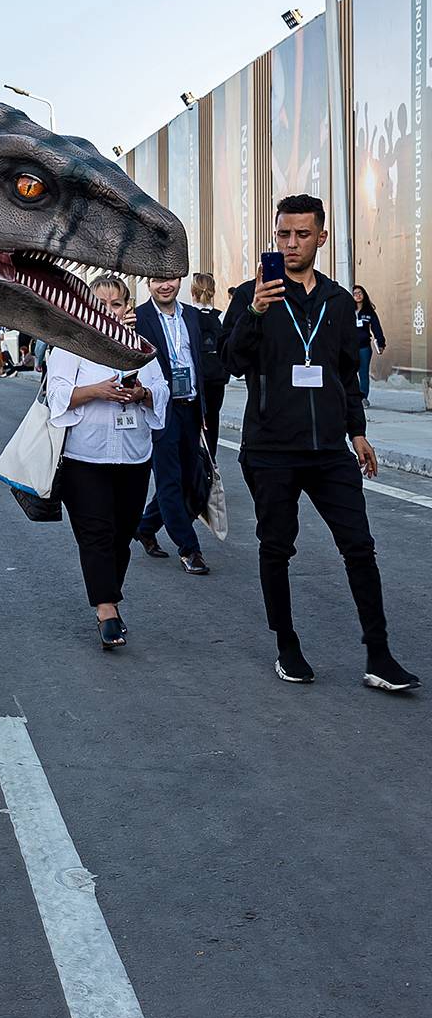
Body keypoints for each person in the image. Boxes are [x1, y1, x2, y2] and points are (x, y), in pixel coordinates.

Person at [223, 194, 418, 691]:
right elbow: (229, 363)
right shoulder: (251, 295)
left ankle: (379, 654)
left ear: (321, 238)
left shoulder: (335, 301)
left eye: (302, 235)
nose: (291, 244)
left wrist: (358, 433)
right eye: (283, 235)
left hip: (330, 450)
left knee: (359, 547)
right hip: (271, 449)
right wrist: (254, 315)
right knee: (276, 546)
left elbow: (346, 377)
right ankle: (287, 644)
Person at [47, 275, 168, 649]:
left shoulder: (139, 347)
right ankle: (106, 610)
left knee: (120, 535)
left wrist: (141, 393)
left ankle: (109, 596)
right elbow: (57, 394)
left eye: (115, 304)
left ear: (126, 307)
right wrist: (96, 391)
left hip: (133, 455)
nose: (108, 311)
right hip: (86, 455)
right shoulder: (71, 344)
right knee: (96, 533)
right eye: (100, 303)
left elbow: (161, 390)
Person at [133, 275, 210, 574]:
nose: (165, 286)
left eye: (171, 280)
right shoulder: (139, 318)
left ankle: (145, 525)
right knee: (169, 480)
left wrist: (203, 409)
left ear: (180, 281)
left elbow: (196, 362)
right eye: (157, 281)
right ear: (147, 284)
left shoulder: (191, 315)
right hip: (159, 406)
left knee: (191, 478)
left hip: (190, 407)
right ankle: (190, 548)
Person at [190, 272, 228, 460]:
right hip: (217, 379)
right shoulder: (220, 317)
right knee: (212, 421)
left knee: (192, 423)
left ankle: (194, 466)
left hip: (196, 378)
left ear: (193, 292)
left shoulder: (188, 316)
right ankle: (210, 464)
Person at [352, 285, 386, 407]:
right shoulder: (348, 311)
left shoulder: (369, 312)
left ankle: (363, 398)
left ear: (364, 295)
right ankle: (350, 397)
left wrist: (381, 343)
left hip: (364, 347)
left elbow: (376, 328)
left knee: (363, 373)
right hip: (350, 348)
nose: (358, 295)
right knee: (349, 372)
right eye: (355, 293)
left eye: (360, 293)